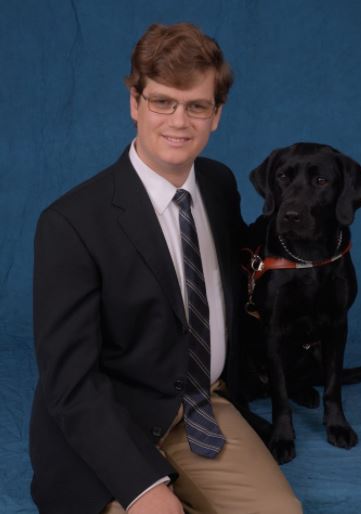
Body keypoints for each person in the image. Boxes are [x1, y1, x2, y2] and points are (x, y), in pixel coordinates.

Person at [30, 22, 303, 514]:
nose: (179, 122)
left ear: (216, 115)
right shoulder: (69, 224)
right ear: (135, 103)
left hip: (200, 403)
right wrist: (143, 488)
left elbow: (237, 285)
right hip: (105, 420)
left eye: (196, 106)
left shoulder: (218, 185)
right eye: (162, 102)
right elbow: (70, 383)